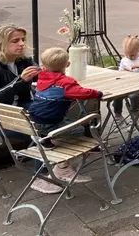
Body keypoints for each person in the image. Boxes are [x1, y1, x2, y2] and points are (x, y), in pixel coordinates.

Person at [27, 47, 103, 190]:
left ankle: (48, 143)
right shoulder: (65, 83)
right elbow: (82, 92)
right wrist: (97, 93)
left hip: (34, 119)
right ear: (67, 64)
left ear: (43, 67)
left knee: (72, 122)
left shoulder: (42, 77)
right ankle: (87, 149)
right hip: (51, 122)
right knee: (82, 127)